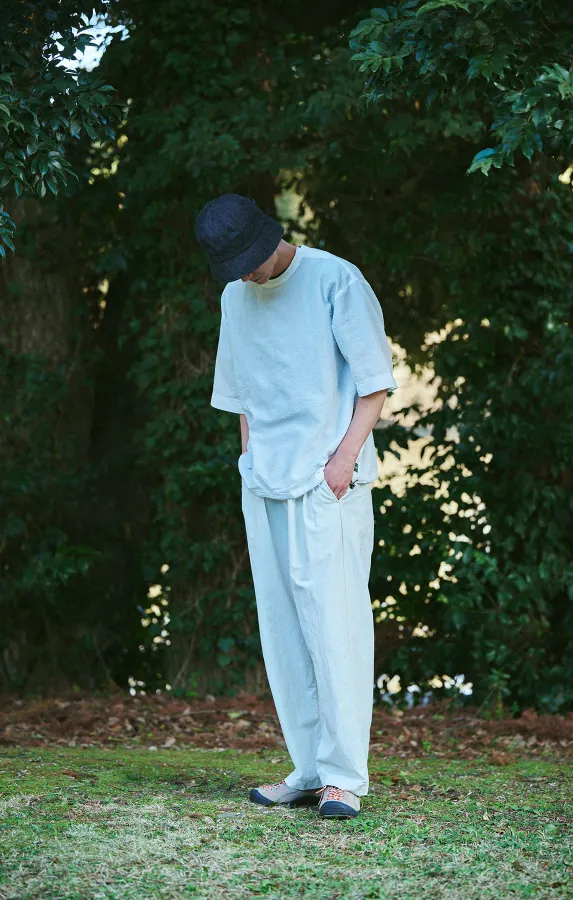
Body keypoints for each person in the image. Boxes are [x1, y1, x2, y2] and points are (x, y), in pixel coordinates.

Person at [195, 193, 398, 819]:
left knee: (335, 627)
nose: (245, 276)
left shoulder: (335, 279)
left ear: (268, 237)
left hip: (326, 483)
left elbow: (376, 382)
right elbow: (241, 396)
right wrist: (249, 462)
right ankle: (308, 769)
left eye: (248, 262)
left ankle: (344, 778)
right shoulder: (235, 298)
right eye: (233, 268)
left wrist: (342, 462)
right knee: (283, 631)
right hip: (264, 482)